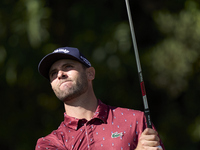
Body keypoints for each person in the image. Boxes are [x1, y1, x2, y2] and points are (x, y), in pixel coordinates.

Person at [35, 47, 165, 150]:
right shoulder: (49, 144)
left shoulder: (135, 121)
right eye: (53, 73)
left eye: (68, 66)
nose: (60, 74)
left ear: (90, 73)